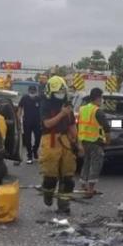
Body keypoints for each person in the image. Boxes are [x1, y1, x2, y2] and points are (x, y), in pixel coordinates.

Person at [38, 76, 77, 213]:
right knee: (50, 177)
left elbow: (72, 124)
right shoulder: (45, 105)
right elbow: (47, 124)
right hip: (51, 139)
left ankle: (64, 205)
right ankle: (48, 194)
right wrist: (61, 114)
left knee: (68, 177)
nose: (60, 95)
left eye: (62, 91)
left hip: (65, 139)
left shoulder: (66, 105)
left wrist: (77, 142)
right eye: (58, 92)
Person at [76, 87, 111, 199]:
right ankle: (90, 189)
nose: (102, 100)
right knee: (95, 165)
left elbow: (79, 125)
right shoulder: (97, 111)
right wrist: (108, 141)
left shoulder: (82, 109)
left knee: (86, 163)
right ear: (98, 98)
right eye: (101, 98)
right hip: (95, 142)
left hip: (84, 141)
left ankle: (83, 186)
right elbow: (107, 127)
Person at [18, 85, 42, 163]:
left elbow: (43, 109)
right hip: (27, 121)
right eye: (31, 91)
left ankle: (35, 150)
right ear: (28, 91)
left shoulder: (39, 99)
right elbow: (20, 108)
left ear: (36, 92)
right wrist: (18, 118)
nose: (32, 93)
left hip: (37, 122)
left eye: (33, 91)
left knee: (38, 138)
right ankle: (29, 156)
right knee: (27, 140)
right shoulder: (24, 98)